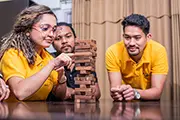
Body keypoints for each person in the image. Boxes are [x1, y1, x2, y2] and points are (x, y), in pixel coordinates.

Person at [0, 5, 73, 101]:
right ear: (27, 30)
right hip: (12, 113)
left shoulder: (47, 57)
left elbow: (61, 95)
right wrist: (52, 64)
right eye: (45, 28)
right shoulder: (13, 54)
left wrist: (61, 78)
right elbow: (20, 92)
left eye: (54, 29)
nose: (51, 35)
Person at [105, 14, 168, 101]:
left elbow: (157, 92)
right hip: (124, 104)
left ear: (148, 37)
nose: (131, 43)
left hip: (150, 105)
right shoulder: (113, 51)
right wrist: (116, 94)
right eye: (127, 37)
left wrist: (135, 93)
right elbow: (115, 88)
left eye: (137, 38)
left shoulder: (158, 51)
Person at [52, 22, 101, 100]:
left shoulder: (84, 59)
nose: (64, 41)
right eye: (58, 38)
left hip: (82, 110)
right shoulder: (50, 60)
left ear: (76, 39)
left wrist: (73, 92)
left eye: (68, 36)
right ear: (52, 44)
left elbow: (97, 93)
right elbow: (61, 96)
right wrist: (82, 92)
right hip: (55, 109)